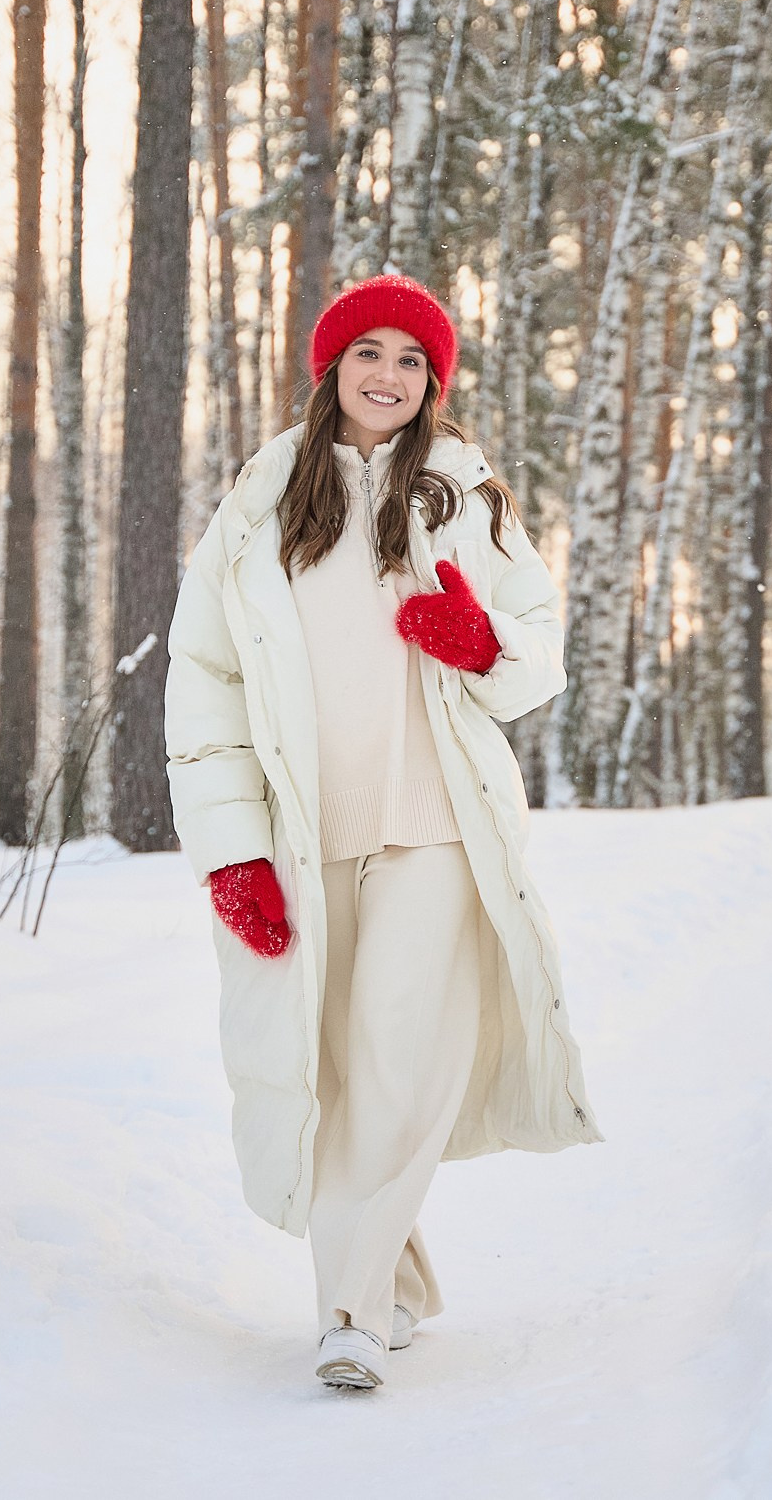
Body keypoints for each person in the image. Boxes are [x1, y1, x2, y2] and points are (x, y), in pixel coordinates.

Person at [164, 273, 603, 1390]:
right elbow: (204, 684)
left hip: (434, 830)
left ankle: (350, 1311)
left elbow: (537, 647)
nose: (390, 376)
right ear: (331, 367)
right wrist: (231, 854)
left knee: (399, 1061)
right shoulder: (259, 505)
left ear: (434, 382)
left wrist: (480, 641)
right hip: (304, 838)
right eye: (370, 353)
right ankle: (395, 1280)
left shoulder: (468, 494)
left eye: (413, 361)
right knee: (333, 1070)